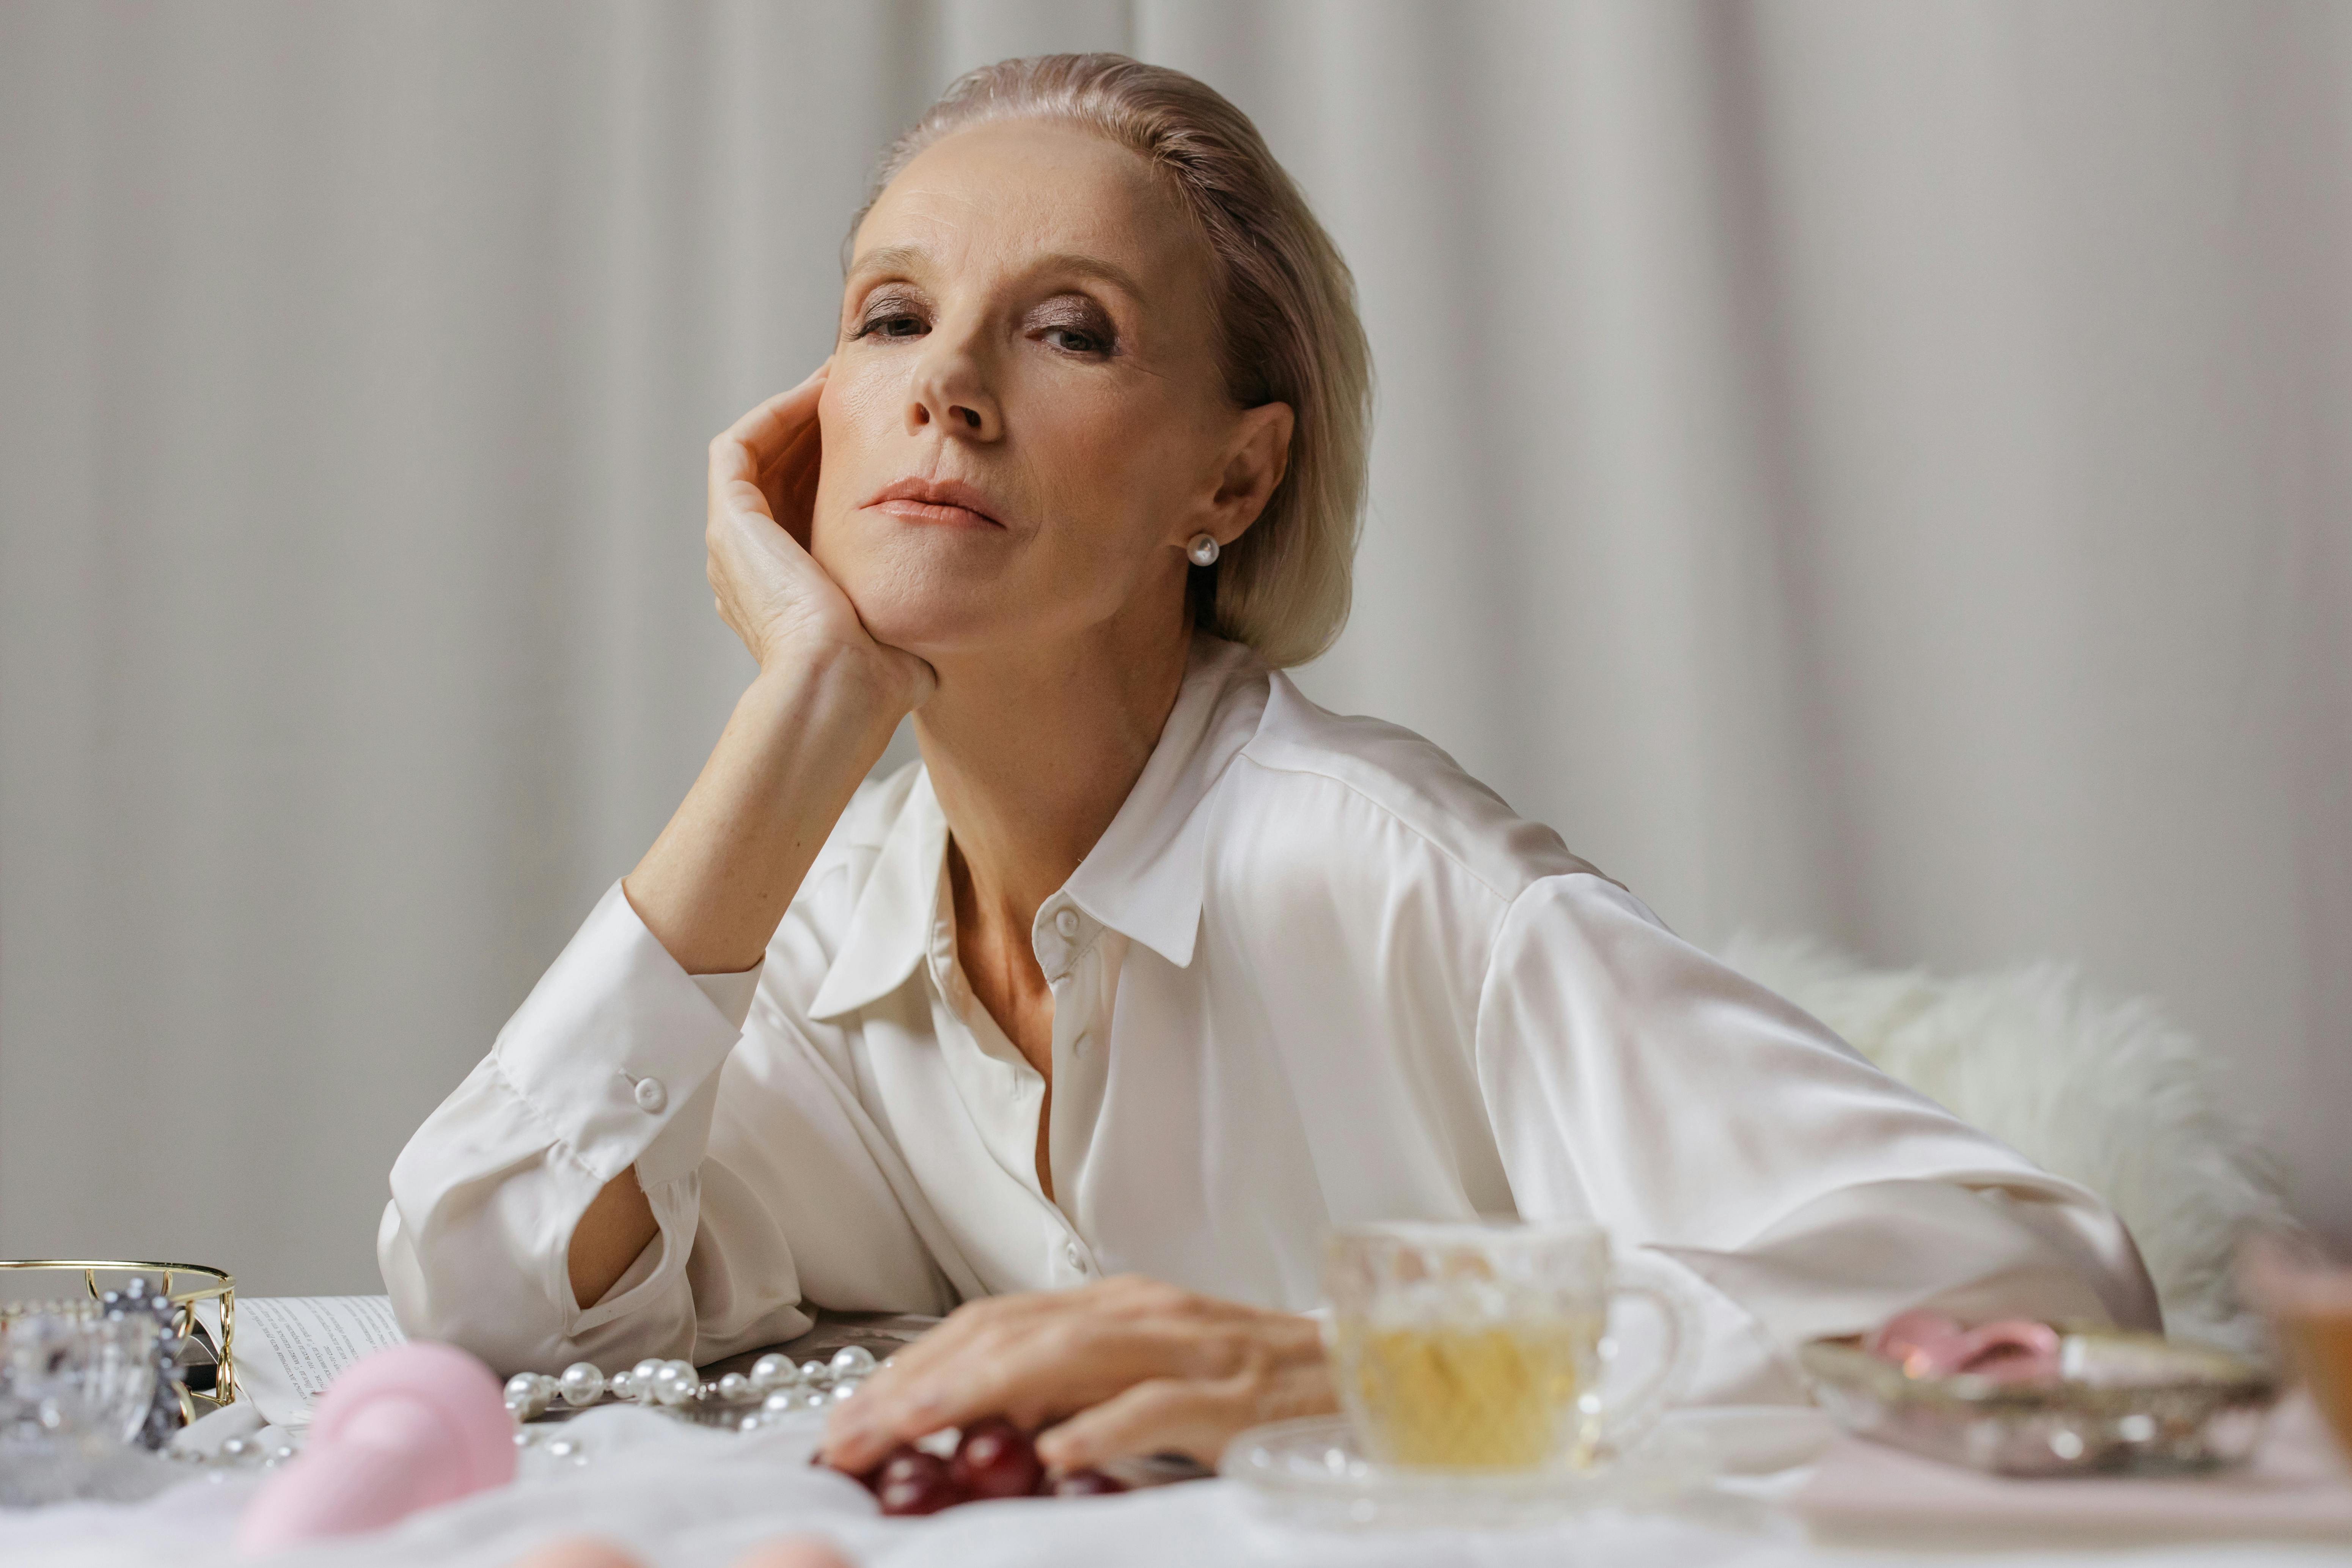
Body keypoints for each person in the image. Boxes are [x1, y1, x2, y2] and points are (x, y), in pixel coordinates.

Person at [380, 53, 2157, 1478]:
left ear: (1232, 484)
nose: (952, 389)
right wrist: (803, 709)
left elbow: (2041, 1284)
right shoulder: (835, 923)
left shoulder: (1395, 881)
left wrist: (1331, 1367)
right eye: (893, 315)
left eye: (1069, 329)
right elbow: (492, 1310)